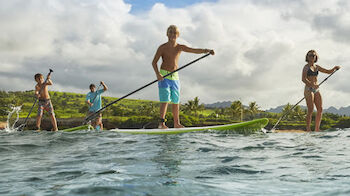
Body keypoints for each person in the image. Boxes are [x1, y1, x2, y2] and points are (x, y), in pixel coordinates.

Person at [152, 25, 215, 129]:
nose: (172, 34)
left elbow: (193, 50)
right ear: (167, 34)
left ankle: (177, 123)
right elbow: (154, 62)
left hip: (175, 77)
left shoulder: (180, 47)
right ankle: (162, 124)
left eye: (175, 33)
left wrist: (207, 50)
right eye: (170, 32)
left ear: (178, 35)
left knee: (176, 100)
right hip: (164, 76)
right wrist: (158, 74)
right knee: (165, 99)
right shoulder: (162, 47)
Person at [302, 50, 340, 132]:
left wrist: (334, 68)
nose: (312, 57)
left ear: (316, 57)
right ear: (307, 57)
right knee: (310, 109)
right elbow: (303, 79)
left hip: (316, 89)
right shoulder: (306, 67)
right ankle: (308, 129)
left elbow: (327, 71)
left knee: (320, 109)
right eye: (310, 55)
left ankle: (317, 129)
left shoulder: (317, 67)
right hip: (308, 89)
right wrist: (312, 85)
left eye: (314, 55)